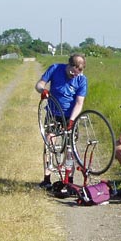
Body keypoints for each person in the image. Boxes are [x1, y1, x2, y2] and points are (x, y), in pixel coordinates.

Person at [35, 53, 87, 188]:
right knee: (49, 143)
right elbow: (39, 84)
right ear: (69, 65)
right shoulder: (55, 68)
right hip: (53, 114)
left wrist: (72, 120)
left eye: (77, 74)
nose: (74, 76)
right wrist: (43, 90)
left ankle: (69, 179)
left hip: (70, 116)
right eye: (72, 73)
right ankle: (46, 179)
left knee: (70, 148)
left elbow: (79, 103)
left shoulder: (81, 80)